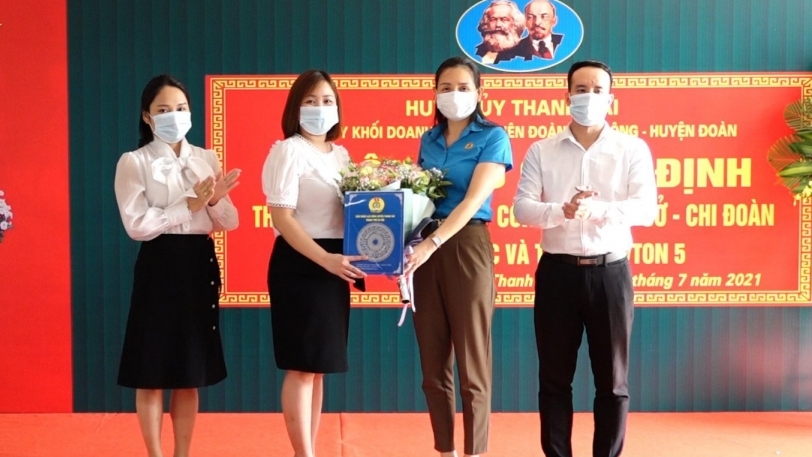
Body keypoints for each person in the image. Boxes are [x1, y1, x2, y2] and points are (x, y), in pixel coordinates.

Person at [513, 60, 658, 457]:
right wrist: (562, 210)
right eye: (581, 89)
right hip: (557, 274)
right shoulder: (542, 150)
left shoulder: (631, 148)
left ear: (611, 98)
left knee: (612, 382)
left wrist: (599, 210)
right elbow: (522, 208)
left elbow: (646, 209)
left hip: (610, 274)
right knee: (554, 381)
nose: (589, 97)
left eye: (597, 90)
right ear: (567, 95)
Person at [114, 74, 240, 457]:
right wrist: (186, 206)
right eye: (164, 109)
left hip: (198, 264)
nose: (174, 116)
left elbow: (230, 222)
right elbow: (137, 225)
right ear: (147, 116)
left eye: (181, 108)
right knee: (150, 372)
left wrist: (213, 201)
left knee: (189, 372)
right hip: (158, 264)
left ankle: (182, 453)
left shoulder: (206, 158)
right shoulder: (134, 162)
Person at [404, 56, 513, 457]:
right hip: (424, 247)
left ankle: (475, 452)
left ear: (479, 93)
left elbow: (471, 201)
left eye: (463, 88)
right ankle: (445, 449)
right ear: (435, 94)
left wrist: (431, 244)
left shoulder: (493, 136)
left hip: (466, 245)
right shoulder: (429, 139)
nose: (454, 95)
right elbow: (419, 198)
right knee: (433, 367)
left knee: (472, 365)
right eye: (446, 88)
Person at [261, 69, 367, 457]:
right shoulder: (287, 150)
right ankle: (302, 453)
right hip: (302, 262)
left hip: (335, 264)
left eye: (327, 101)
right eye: (310, 101)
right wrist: (324, 259)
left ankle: (310, 449)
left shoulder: (340, 155)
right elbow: (282, 217)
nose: (319, 108)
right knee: (301, 366)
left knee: (318, 367)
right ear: (295, 108)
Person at [473, 0, 526, 65]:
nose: (498, 24)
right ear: (486, 22)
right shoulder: (477, 51)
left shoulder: (524, 53)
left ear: (515, 23)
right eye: (493, 19)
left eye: (504, 19)